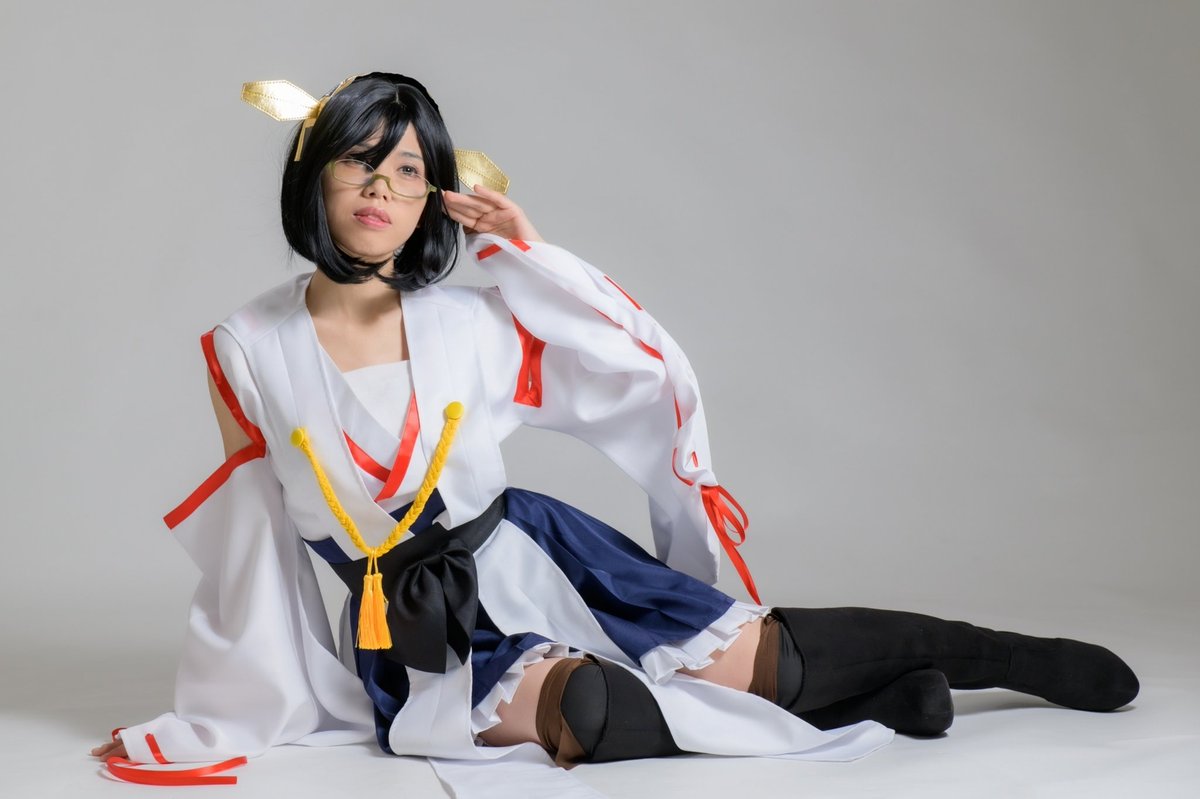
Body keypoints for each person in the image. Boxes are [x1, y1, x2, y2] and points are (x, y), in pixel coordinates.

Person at [90, 73, 1138, 791]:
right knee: (587, 713)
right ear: (313, 174)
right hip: (410, 628)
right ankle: (865, 710)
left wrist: (534, 258)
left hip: (543, 557)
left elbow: (636, 369)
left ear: (432, 198)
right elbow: (256, 543)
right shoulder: (246, 347)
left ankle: (1008, 656)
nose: (381, 187)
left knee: (764, 660)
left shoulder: (472, 322)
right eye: (357, 160)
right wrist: (242, 701)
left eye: (407, 170)